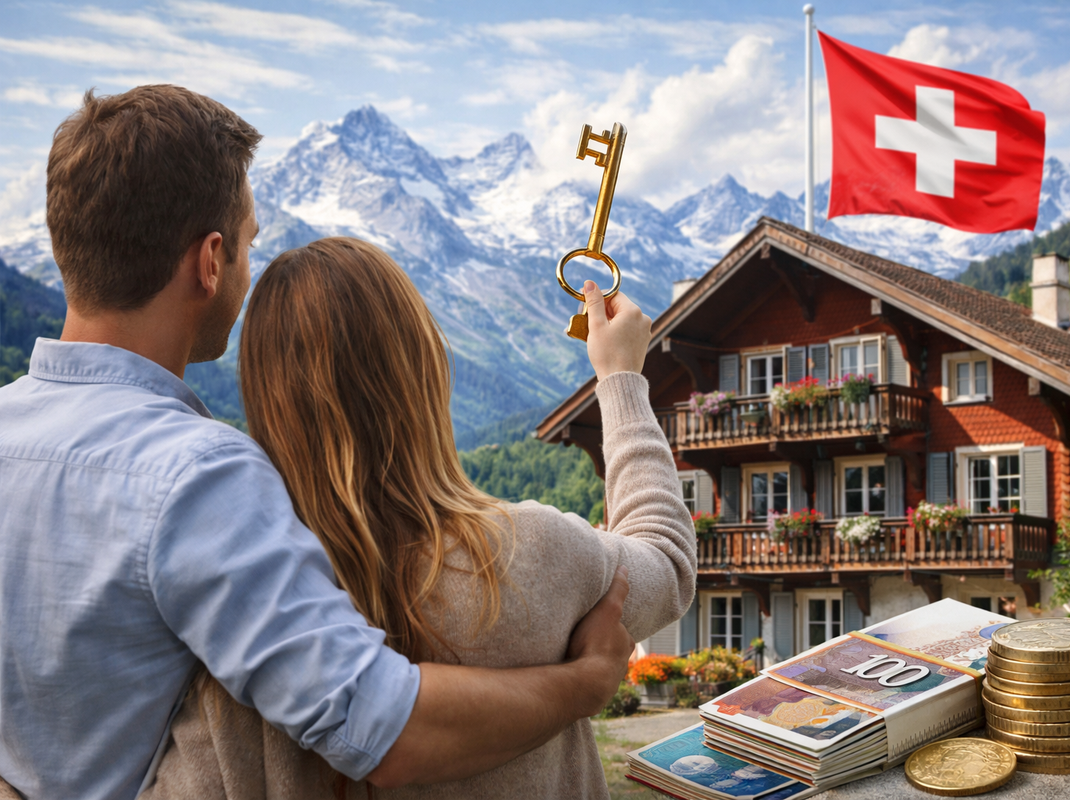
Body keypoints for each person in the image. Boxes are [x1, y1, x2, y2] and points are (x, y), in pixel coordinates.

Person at [0, 86, 663, 800]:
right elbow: (381, 727)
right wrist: (581, 686)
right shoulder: (196, 474)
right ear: (211, 260)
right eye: (249, 242)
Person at [138, 239, 696, 798]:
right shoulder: (529, 554)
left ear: (264, 397)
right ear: (422, 368)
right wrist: (620, 378)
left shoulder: (248, 622)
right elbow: (667, 560)